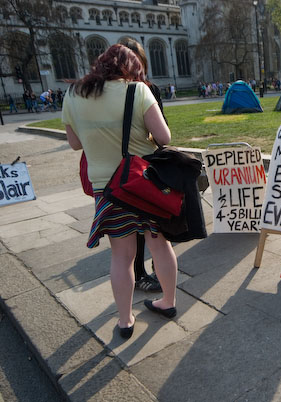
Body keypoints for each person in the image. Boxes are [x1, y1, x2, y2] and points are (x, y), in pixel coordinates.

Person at [61, 44, 178, 340]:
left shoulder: (73, 94)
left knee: (121, 256)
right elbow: (164, 137)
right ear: (132, 66)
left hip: (108, 190)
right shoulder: (137, 91)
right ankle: (168, 302)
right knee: (159, 246)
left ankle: (125, 320)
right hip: (144, 184)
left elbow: (75, 144)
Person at [119, 37, 165, 293]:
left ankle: (158, 272)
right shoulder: (116, 93)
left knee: (154, 225)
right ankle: (139, 273)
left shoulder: (150, 89)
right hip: (127, 167)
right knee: (135, 228)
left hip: (147, 164)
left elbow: (162, 132)